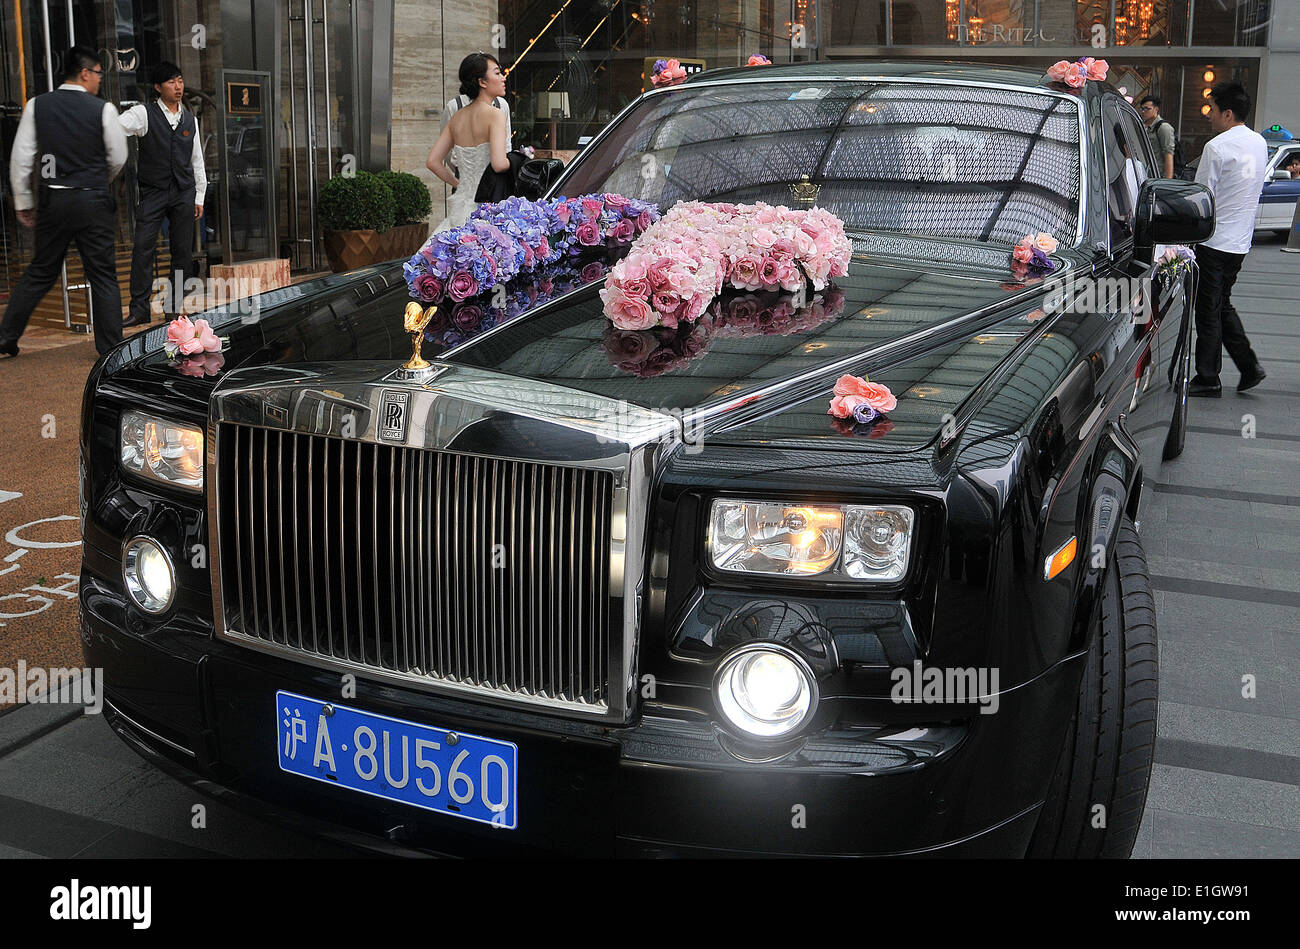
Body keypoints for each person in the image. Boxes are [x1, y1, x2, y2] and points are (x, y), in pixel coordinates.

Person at [0, 46, 128, 358]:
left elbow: (21, 159)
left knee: (41, 270)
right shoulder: (103, 109)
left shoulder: (37, 106)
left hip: (53, 200)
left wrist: (23, 201)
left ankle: (6, 337)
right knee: (102, 275)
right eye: (98, 73)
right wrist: (98, 183)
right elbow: (118, 157)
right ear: (85, 73)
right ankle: (110, 349)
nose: (99, 80)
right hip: (92, 201)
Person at [1190, 80, 1268, 396]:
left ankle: (1209, 377)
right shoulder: (1259, 143)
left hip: (1214, 240)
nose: (1210, 116)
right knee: (1221, 305)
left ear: (1228, 113)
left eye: (1214, 111)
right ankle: (1249, 368)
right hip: (1240, 242)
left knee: (1208, 310)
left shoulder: (1217, 147)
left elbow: (1200, 197)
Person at [118, 61, 206, 328]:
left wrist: (199, 196)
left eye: (179, 80)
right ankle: (139, 309)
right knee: (143, 247)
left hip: (183, 192)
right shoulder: (143, 114)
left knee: (182, 252)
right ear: (158, 87)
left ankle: (173, 307)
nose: (178, 87)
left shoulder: (189, 119)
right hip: (153, 191)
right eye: (171, 82)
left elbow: (197, 160)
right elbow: (114, 127)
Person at [425, 52, 511, 232]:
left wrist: (460, 184)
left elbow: (432, 162)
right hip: (489, 204)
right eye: (497, 73)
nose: (503, 78)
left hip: (461, 202)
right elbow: (499, 164)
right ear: (482, 82)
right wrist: (520, 160)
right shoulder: (496, 114)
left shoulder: (457, 118)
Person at [1138, 96, 1177, 179]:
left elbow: (1168, 154)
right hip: (1144, 173)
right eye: (1141, 109)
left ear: (1156, 109)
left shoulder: (1163, 127)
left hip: (1158, 176)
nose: (1143, 111)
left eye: (1147, 109)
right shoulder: (1143, 126)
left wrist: (1166, 181)